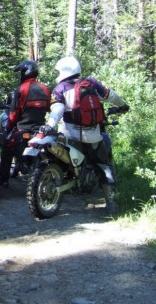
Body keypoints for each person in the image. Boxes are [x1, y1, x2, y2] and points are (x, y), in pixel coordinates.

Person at [41, 56, 129, 213]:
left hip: (68, 137)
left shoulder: (60, 88)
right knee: (104, 165)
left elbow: (57, 110)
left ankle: (63, 182)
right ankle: (111, 202)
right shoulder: (92, 84)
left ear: (63, 71)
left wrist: (49, 125)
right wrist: (123, 105)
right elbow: (112, 96)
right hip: (93, 136)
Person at [0, 60, 51, 187]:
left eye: (21, 72)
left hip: (23, 129)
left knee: (6, 147)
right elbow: (49, 108)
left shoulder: (21, 89)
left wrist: (8, 128)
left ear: (25, 72)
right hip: (40, 129)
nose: (20, 74)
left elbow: (13, 114)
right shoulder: (45, 88)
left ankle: (3, 180)